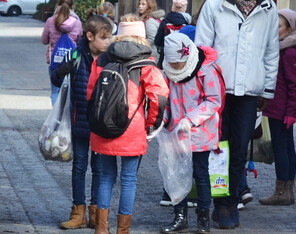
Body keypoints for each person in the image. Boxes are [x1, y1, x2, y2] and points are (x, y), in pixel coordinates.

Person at [195, 0, 279, 229]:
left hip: (249, 90)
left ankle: (231, 200)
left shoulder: (268, 9)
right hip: (217, 89)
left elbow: (270, 51)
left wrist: (268, 88)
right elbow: (202, 48)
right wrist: (203, 84)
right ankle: (219, 203)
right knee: (218, 147)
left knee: (240, 147)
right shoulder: (215, 5)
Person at [87, 17, 169, 234]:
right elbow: (159, 96)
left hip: (103, 127)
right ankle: (123, 230)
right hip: (132, 129)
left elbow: (91, 93)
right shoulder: (146, 63)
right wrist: (151, 124)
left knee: (105, 177)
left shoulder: (102, 60)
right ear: (142, 37)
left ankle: (101, 228)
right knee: (129, 179)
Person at [50, 14, 114, 230]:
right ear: (89, 36)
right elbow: (55, 78)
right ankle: (78, 211)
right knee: (78, 167)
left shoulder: (110, 59)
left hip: (100, 124)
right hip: (79, 121)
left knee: (98, 168)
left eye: (109, 37)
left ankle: (96, 211)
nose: (108, 42)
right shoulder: (77, 53)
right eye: (104, 38)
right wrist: (60, 72)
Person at [160, 31, 223, 234]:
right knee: (177, 176)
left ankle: (203, 220)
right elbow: (167, 101)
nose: (176, 68)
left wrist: (191, 119)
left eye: (179, 63)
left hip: (200, 134)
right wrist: (161, 120)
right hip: (177, 134)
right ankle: (180, 217)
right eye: (173, 64)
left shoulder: (206, 70)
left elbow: (214, 100)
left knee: (201, 175)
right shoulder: (168, 73)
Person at [260, 9, 296, 206]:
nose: (275, 30)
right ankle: (287, 191)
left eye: (278, 26)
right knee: (286, 147)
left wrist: (290, 112)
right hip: (279, 106)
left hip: (281, 108)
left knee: (282, 148)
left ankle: (282, 192)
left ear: (289, 28)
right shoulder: (284, 48)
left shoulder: (289, 53)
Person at [42, 0, 83, 105]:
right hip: (71, 59)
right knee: (70, 90)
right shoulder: (77, 23)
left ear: (58, 4)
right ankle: (67, 117)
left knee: (55, 91)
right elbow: (80, 41)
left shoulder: (51, 21)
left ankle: (56, 117)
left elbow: (44, 40)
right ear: (73, 6)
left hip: (54, 59)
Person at [155, 0, 195, 67]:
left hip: (167, 56)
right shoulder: (189, 23)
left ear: (173, 8)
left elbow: (158, 41)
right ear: (185, 9)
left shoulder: (165, 21)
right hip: (184, 57)